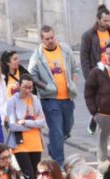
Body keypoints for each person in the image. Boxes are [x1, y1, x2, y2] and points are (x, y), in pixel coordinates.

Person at [28, 25, 79, 167]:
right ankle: (59, 163)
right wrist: (45, 87)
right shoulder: (37, 56)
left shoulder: (65, 50)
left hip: (68, 97)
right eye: (47, 38)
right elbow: (32, 76)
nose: (50, 41)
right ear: (42, 39)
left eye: (52, 37)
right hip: (50, 100)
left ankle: (53, 147)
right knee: (56, 131)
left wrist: (74, 85)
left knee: (67, 129)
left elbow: (75, 68)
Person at [80, 4, 110, 135]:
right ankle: (98, 121)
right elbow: (84, 57)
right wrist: (88, 76)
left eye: (109, 20)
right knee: (100, 100)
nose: (107, 23)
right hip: (96, 72)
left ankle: (102, 124)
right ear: (98, 19)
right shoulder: (88, 35)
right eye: (104, 21)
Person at [6, 74, 46, 179]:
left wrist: (26, 122)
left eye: (30, 87)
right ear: (19, 86)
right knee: (29, 177)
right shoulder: (12, 101)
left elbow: (42, 122)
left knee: (34, 177)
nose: (28, 90)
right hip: (20, 144)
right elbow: (12, 125)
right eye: (25, 87)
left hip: (35, 143)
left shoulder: (35, 99)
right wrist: (34, 124)